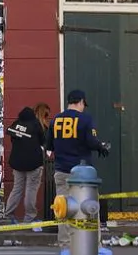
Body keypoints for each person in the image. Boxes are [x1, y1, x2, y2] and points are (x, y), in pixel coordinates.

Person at [47, 90, 109, 252]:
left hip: (61, 171)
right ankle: (95, 246)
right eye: (83, 104)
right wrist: (100, 147)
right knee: (89, 209)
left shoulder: (55, 120)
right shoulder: (86, 119)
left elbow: (49, 146)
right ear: (81, 102)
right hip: (83, 175)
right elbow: (91, 141)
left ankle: (66, 247)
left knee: (64, 210)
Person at [5, 106, 46, 227]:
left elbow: (13, 139)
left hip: (17, 162)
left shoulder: (16, 124)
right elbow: (42, 140)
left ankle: (8, 215)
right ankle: (29, 217)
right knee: (31, 190)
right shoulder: (35, 124)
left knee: (17, 189)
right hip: (34, 163)